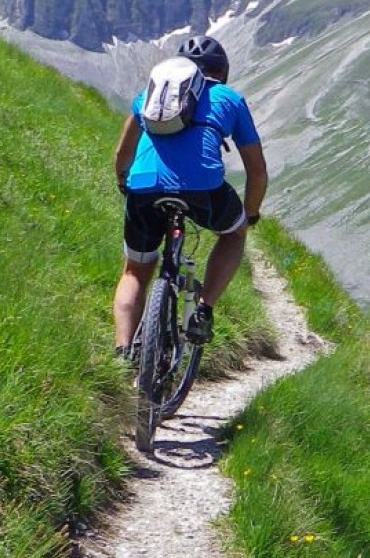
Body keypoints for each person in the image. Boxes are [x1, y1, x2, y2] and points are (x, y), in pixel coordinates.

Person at [111, 35, 268, 357]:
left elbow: (121, 153)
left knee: (135, 271)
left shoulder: (149, 96)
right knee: (233, 233)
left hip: (144, 185)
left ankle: (122, 353)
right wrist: (250, 215)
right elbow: (257, 170)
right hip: (202, 186)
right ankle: (203, 309)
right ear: (221, 72)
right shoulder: (229, 98)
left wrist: (124, 182)